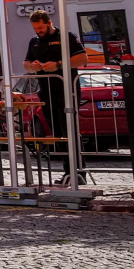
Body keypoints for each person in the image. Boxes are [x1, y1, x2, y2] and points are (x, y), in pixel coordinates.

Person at [24, 11, 87, 186]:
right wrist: (34, 67)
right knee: (57, 132)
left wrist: (58, 65)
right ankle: (68, 171)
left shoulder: (66, 36)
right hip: (46, 91)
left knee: (70, 130)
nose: (39, 31)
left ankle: (78, 171)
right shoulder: (34, 41)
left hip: (67, 90)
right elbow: (26, 63)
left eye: (41, 27)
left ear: (49, 23)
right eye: (36, 28)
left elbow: (83, 58)